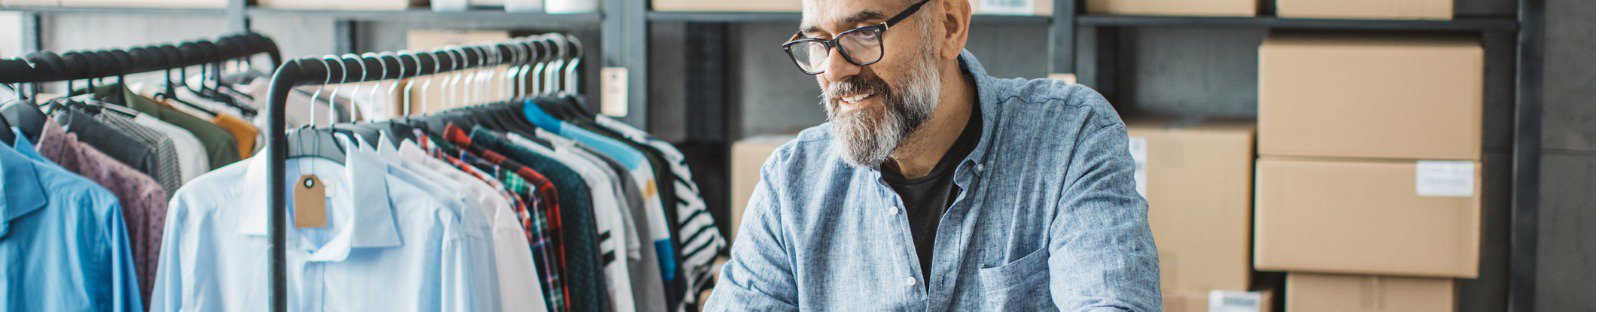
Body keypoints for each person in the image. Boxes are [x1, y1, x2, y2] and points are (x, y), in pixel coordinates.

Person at [703, 0, 1161, 310]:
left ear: (949, 26)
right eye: (817, 43)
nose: (834, 70)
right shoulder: (792, 183)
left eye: (864, 33)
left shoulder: (1068, 137)